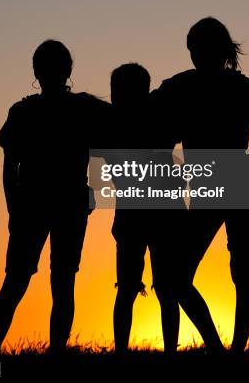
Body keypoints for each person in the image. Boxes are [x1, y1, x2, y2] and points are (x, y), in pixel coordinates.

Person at [151, 17, 249, 352]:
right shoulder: (187, 86)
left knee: (234, 272)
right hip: (218, 185)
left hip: (229, 184)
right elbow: (150, 116)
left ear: (216, 51)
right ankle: (222, 351)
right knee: (186, 276)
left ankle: (231, 352)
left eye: (200, 49)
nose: (197, 56)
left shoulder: (227, 87)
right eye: (193, 50)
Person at [0, 39, 110, 356]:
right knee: (51, 284)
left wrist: (15, 208)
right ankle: (6, 357)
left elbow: (9, 168)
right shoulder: (68, 109)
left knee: (24, 283)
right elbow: (10, 166)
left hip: (46, 205)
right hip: (47, 206)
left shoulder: (34, 110)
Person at [108, 63, 183, 355]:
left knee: (136, 288)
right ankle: (161, 353)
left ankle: (125, 352)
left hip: (139, 213)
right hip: (147, 212)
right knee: (156, 289)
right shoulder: (159, 115)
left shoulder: (118, 123)